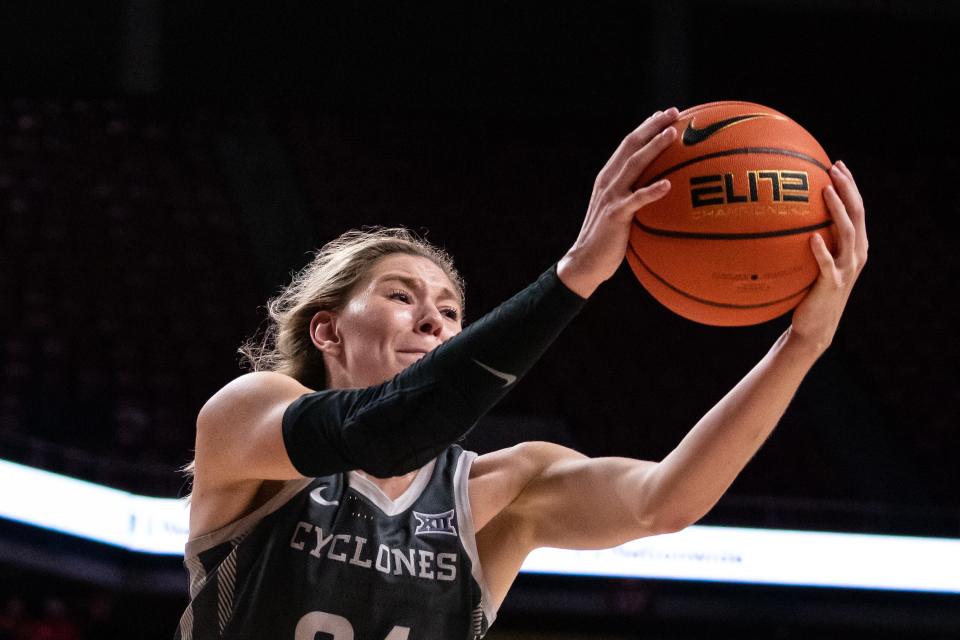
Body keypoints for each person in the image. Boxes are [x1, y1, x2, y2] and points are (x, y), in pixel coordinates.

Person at [173, 107, 868, 639]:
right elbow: (387, 433)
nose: (433, 322)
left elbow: (666, 501)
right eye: (400, 296)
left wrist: (802, 345)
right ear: (326, 328)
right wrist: (576, 275)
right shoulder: (249, 418)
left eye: (450, 313)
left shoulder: (500, 492)